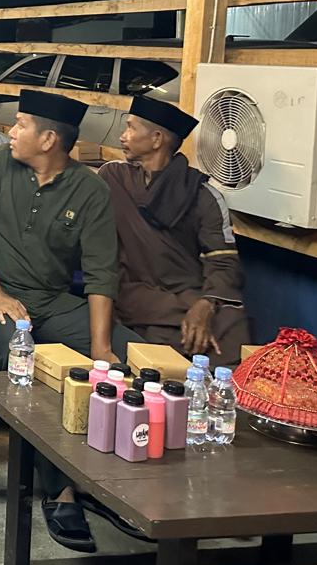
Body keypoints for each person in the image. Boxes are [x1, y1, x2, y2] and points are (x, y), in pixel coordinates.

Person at [0, 89, 135, 554]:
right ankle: (60, 491)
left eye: (21, 125)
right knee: (26, 363)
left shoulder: (90, 190)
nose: (11, 132)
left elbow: (101, 272)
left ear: (49, 139)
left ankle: (122, 484)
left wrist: (101, 346)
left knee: (129, 356)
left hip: (52, 301)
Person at [101, 96, 248, 367]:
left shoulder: (203, 195)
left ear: (156, 139)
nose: (123, 136)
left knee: (230, 320)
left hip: (188, 293)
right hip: (136, 291)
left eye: (131, 128)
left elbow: (223, 261)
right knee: (175, 327)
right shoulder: (113, 179)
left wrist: (206, 304)